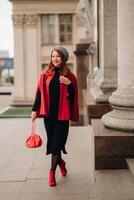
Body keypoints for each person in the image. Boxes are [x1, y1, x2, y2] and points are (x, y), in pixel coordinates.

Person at [31, 47, 79, 187]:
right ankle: (61, 163)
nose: (55, 59)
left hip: (62, 116)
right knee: (53, 144)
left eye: (58, 56)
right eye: (53, 56)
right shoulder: (45, 74)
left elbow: (74, 95)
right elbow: (39, 92)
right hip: (49, 116)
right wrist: (35, 109)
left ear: (63, 58)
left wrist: (69, 85)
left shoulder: (70, 76)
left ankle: (51, 172)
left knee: (57, 143)